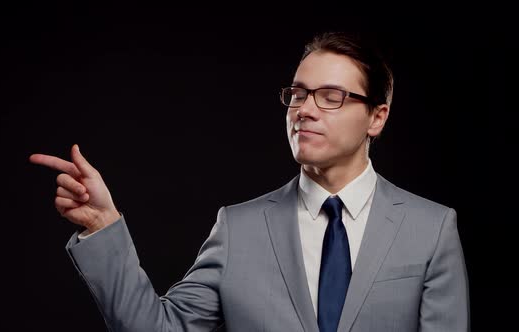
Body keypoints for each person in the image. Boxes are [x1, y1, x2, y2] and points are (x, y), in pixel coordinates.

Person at [30, 32, 470, 332]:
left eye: (331, 96)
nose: (305, 110)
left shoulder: (430, 229)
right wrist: (103, 225)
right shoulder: (238, 229)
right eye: (297, 94)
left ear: (377, 117)